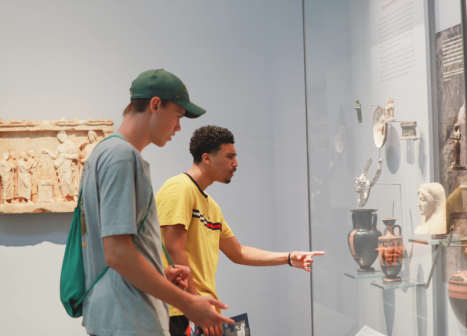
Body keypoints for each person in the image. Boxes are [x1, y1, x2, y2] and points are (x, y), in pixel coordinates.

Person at [79, 69, 234, 336]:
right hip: (128, 321)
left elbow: (115, 252)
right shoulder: (122, 157)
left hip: (117, 317)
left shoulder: (102, 153)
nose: (178, 127)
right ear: (155, 105)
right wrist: (187, 303)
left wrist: (160, 274)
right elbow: (117, 254)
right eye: (178, 116)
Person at [156, 126, 325, 336]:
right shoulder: (180, 188)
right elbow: (174, 249)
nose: (235, 164)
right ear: (207, 159)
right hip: (180, 310)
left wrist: (290, 258)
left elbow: (238, 252)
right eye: (229, 157)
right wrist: (195, 303)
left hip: (201, 311)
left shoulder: (211, 206)